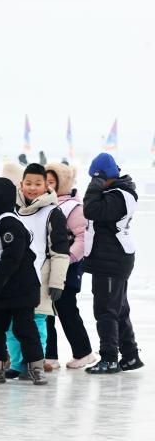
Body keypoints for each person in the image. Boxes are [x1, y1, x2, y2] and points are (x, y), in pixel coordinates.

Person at [0, 177, 46, 385]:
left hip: (20, 287)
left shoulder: (9, 222)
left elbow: (13, 257)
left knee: (24, 327)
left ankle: (36, 367)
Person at [3, 164, 69, 381]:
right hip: (14, 278)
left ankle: (35, 364)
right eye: (28, 183)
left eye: (38, 184)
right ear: (21, 184)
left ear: (47, 186)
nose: (32, 188)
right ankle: (17, 364)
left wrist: (57, 283)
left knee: (37, 322)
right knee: (12, 324)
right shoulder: (11, 210)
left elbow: (60, 252)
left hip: (41, 278)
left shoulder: (53, 213)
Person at [82, 153, 143, 373]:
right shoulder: (116, 193)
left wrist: (95, 184)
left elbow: (90, 210)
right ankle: (130, 355)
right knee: (118, 309)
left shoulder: (118, 196)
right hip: (113, 258)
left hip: (111, 261)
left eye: (96, 178)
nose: (93, 183)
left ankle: (109, 358)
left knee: (106, 310)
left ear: (104, 176)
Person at [44, 163, 96, 368]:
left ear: (62, 183)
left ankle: (83, 352)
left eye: (51, 182)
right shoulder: (46, 204)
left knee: (66, 309)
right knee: (46, 310)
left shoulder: (72, 207)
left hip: (68, 267)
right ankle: (50, 356)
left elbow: (83, 238)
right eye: (45, 181)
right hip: (48, 266)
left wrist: (68, 259)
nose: (48, 186)